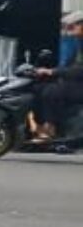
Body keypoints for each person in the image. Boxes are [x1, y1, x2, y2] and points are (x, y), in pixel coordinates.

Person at [28, 9, 83, 142]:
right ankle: (37, 126)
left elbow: (79, 70)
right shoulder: (78, 42)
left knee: (52, 91)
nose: (69, 29)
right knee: (38, 88)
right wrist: (47, 71)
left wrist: (53, 72)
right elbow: (69, 67)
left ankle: (51, 129)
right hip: (77, 82)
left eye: (73, 26)